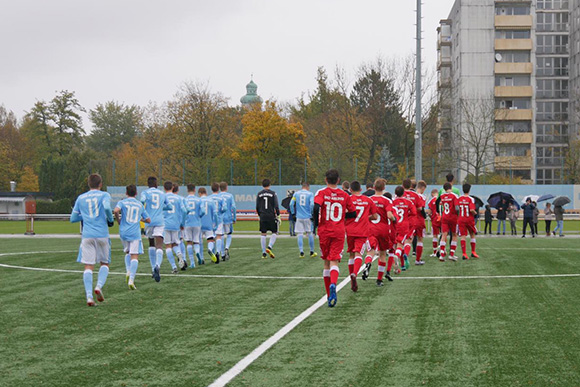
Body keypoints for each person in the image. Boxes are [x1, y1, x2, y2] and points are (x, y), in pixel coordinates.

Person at [70, 174, 114, 306]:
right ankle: (98, 287)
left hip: (87, 235)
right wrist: (110, 219)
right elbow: (106, 207)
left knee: (88, 266)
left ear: (89, 184)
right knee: (104, 263)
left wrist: (86, 216)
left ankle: (89, 297)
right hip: (102, 234)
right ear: (100, 184)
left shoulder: (81, 197)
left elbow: (73, 218)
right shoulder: (104, 195)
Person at [313, 169, 355, 307]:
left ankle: (328, 294)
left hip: (324, 230)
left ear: (326, 180)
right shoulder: (344, 195)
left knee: (326, 262)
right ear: (338, 180)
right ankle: (333, 284)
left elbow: (316, 207)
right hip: (338, 231)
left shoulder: (321, 192)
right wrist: (343, 217)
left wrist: (315, 223)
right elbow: (353, 213)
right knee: (334, 261)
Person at [114, 184, 151, 290]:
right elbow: (148, 220)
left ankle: (128, 271)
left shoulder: (122, 202)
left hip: (123, 232)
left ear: (126, 193)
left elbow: (116, 210)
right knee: (134, 256)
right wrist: (140, 219)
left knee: (127, 252)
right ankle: (131, 279)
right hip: (134, 233)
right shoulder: (139, 204)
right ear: (136, 193)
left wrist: (119, 220)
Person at [345, 181, 377, 291]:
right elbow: (375, 216)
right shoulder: (368, 200)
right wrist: (366, 218)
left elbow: (344, 214)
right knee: (358, 253)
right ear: (361, 189)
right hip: (362, 231)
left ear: (350, 190)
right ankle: (354, 273)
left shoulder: (348, 199)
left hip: (349, 230)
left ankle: (351, 277)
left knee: (351, 254)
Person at [140, 176, 170, 282]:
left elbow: (142, 201)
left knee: (151, 243)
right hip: (160, 221)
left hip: (149, 221)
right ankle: (158, 266)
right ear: (156, 184)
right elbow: (169, 207)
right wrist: (160, 207)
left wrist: (143, 213)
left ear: (148, 184)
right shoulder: (162, 193)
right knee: (159, 245)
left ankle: (153, 268)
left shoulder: (145, 193)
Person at [369, 178, 397, 286]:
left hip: (371, 228)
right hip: (383, 229)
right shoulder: (387, 200)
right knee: (382, 254)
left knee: (370, 250)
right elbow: (390, 215)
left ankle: (367, 264)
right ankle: (379, 279)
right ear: (384, 188)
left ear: (374, 187)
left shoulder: (369, 199)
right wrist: (394, 219)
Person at [163, 181, 188, 273]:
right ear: (172, 188)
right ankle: (179, 254)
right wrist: (182, 223)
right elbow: (185, 211)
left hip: (165, 224)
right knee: (175, 244)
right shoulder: (179, 198)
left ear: (164, 188)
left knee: (168, 246)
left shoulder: (163, 197)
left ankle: (174, 267)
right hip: (176, 224)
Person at [392, 186, 417, 270]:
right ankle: (397, 256)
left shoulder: (392, 202)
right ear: (403, 193)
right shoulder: (408, 202)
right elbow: (414, 212)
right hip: (404, 225)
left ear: (395, 193)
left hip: (395, 224)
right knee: (401, 244)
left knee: (395, 244)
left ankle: (401, 265)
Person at [290, 182, 317, 258]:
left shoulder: (296, 194)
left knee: (300, 234)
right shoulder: (310, 194)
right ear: (308, 187)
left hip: (299, 216)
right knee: (310, 233)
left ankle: (301, 252)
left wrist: (293, 214)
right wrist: (312, 213)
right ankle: (311, 252)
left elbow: (291, 204)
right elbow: (312, 204)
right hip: (307, 216)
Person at [403, 179, 427, 265]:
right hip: (418, 220)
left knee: (406, 239)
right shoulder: (418, 196)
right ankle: (417, 260)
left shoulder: (401, 194)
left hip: (405, 220)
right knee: (420, 239)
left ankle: (403, 256)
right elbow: (421, 208)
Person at [256, 179, 280, 259]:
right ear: (270, 184)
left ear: (262, 185)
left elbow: (257, 206)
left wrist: (260, 214)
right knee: (274, 232)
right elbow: (276, 205)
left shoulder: (259, 194)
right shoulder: (273, 193)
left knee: (263, 234)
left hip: (263, 215)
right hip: (271, 215)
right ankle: (269, 247)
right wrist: (278, 215)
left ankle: (263, 253)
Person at [184, 184, 206, 267]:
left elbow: (183, 211)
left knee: (189, 242)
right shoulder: (199, 200)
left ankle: (192, 263)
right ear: (194, 189)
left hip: (188, 223)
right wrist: (199, 215)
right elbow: (203, 211)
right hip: (197, 223)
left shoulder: (185, 200)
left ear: (187, 190)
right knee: (196, 241)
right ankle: (197, 253)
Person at [457, 183, 479, 260]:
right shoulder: (471, 199)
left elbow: (457, 208)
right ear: (469, 190)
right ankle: (473, 252)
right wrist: (475, 213)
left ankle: (464, 253)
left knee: (463, 236)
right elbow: (472, 210)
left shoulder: (459, 198)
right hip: (469, 219)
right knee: (472, 234)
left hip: (461, 219)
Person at [439, 182, 459, 261]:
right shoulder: (454, 195)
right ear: (451, 187)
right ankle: (451, 254)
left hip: (444, 216)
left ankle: (441, 254)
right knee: (454, 235)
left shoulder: (442, 196)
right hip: (452, 217)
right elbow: (457, 208)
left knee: (444, 234)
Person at [199, 187, 219, 262]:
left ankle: (201, 258)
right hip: (209, 223)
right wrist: (216, 224)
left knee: (199, 241)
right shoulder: (211, 201)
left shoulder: (199, 201)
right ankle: (210, 249)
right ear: (206, 193)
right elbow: (215, 214)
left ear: (199, 193)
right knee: (210, 239)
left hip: (200, 224)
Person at [219, 182, 237, 260]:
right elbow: (233, 207)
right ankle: (226, 248)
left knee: (221, 235)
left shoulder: (218, 196)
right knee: (229, 234)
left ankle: (222, 254)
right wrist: (234, 218)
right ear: (226, 187)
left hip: (220, 218)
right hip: (228, 218)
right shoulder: (230, 196)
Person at [210, 182, 227, 262]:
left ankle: (213, 254)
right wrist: (221, 212)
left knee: (211, 237)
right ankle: (218, 252)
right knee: (219, 236)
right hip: (219, 219)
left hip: (210, 219)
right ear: (218, 189)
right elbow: (225, 208)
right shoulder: (221, 198)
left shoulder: (209, 198)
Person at [427, 189, 440, 257]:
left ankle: (435, 252)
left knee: (435, 235)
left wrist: (431, 216)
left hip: (435, 219)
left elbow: (429, 212)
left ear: (432, 194)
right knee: (443, 234)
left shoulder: (431, 201)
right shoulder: (441, 199)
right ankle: (442, 249)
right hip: (441, 218)